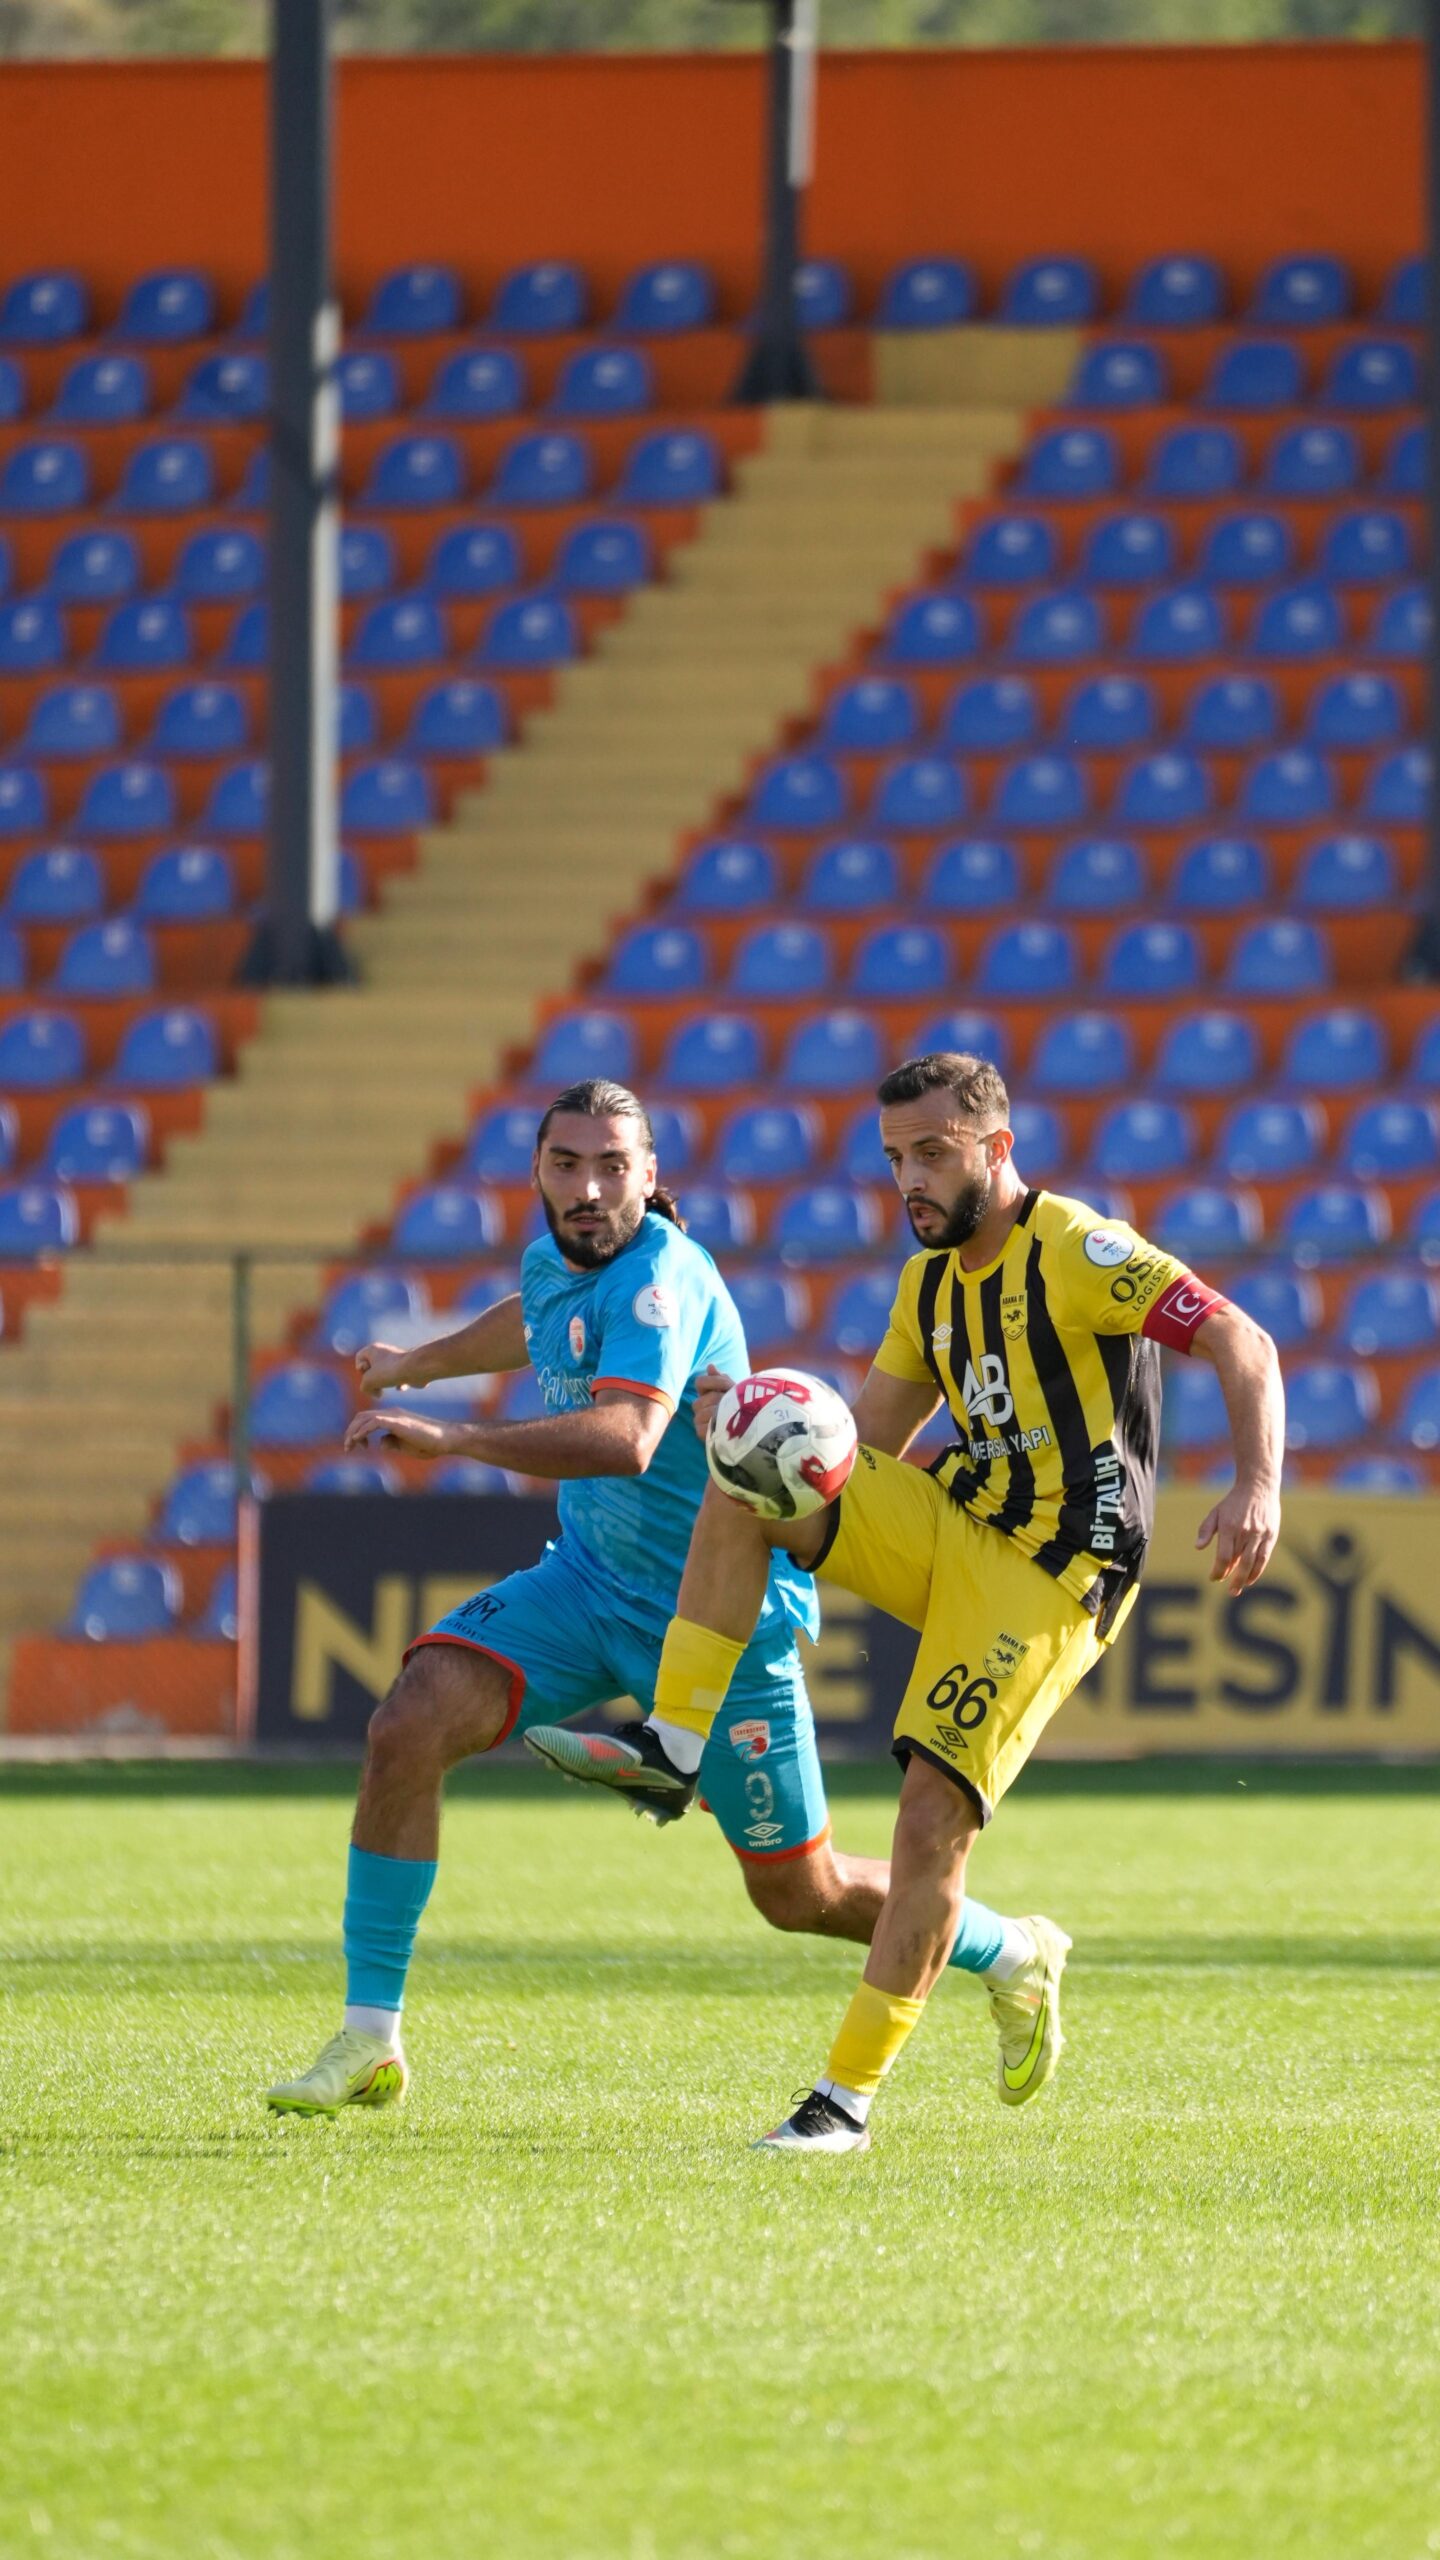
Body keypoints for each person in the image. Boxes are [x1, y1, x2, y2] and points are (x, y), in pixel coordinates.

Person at [530, 1052, 1285, 2153]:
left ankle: (844, 2104)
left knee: (931, 1817)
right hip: (953, 1526)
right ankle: (677, 1740)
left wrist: (1258, 1480)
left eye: (932, 1153)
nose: (911, 1181)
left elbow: (1241, 1337)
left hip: (1053, 1576)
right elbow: (864, 1447)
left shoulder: (1072, 1248)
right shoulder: (928, 1284)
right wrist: (747, 1429)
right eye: (895, 1161)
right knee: (751, 1457)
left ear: (998, 1149)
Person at [266, 1076, 1048, 2119]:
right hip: (585, 1588)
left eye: (611, 1167)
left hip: (719, 1625)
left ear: (650, 1177)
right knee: (407, 1723)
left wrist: (455, 1437)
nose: (588, 1188)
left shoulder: (662, 1282)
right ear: (539, 1172)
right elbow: (535, 1317)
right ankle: (369, 2038)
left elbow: (629, 1439)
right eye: (566, 1165)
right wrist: (424, 1364)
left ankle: (1013, 1948)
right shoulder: (559, 1256)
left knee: (798, 1896)